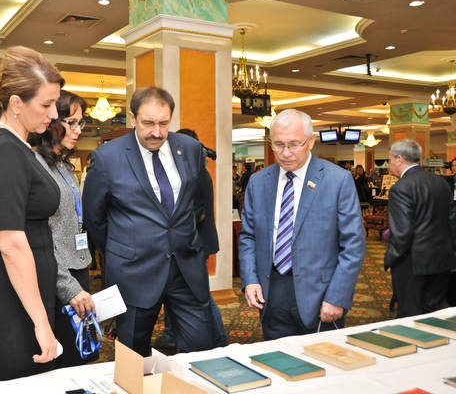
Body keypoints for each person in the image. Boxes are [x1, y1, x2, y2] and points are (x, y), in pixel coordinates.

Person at [83, 86, 215, 356]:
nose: (156, 132)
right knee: (133, 356)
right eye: (148, 123)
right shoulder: (107, 158)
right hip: (135, 272)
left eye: (164, 123)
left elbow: (198, 201)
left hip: (186, 269)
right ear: (132, 118)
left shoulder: (190, 149)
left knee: (203, 349)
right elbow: (95, 218)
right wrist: (123, 250)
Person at [0, 46, 63, 382]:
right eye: (46, 105)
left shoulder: (17, 147)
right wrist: (41, 322)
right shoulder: (3, 150)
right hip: (8, 297)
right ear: (17, 104)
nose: (54, 114)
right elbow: (11, 244)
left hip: (23, 293)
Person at [239, 109, 365, 340]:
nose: (285, 153)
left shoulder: (337, 180)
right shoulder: (258, 182)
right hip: (272, 293)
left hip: (321, 295)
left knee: (322, 359)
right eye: (278, 145)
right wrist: (250, 279)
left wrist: (337, 296)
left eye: (294, 144)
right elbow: (249, 236)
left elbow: (353, 245)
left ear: (311, 141)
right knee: (277, 358)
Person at [28, 90, 98, 367]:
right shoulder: (35, 166)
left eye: (81, 123)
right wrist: (66, 284)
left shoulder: (63, 165)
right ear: (51, 121)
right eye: (72, 122)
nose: (78, 130)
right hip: (56, 275)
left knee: (81, 352)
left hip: (77, 265)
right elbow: (40, 236)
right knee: (63, 358)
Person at [153, 128, 227, 353]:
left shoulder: (196, 172)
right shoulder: (192, 168)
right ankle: (171, 334)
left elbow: (197, 212)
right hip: (187, 244)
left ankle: (220, 340)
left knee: (199, 296)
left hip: (195, 244)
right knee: (182, 292)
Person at [384, 139, 456, 317]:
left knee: (410, 315)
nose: (389, 164)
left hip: (412, 264)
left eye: (390, 159)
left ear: (399, 159)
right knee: (436, 314)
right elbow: (452, 222)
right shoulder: (442, 183)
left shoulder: (400, 188)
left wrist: (390, 258)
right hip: (442, 260)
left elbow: (402, 233)